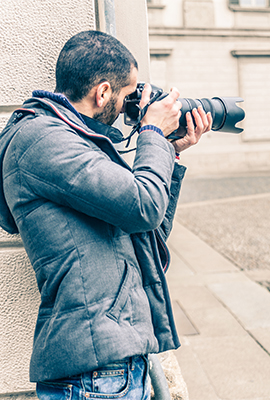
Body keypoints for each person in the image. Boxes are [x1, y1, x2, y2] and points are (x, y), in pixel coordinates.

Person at [0, 30, 212, 399]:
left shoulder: (75, 140)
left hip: (111, 366)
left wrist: (169, 152)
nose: (132, 107)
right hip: (96, 374)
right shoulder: (44, 141)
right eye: (128, 95)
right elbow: (142, 207)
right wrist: (151, 132)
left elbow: (149, 229)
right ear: (102, 92)